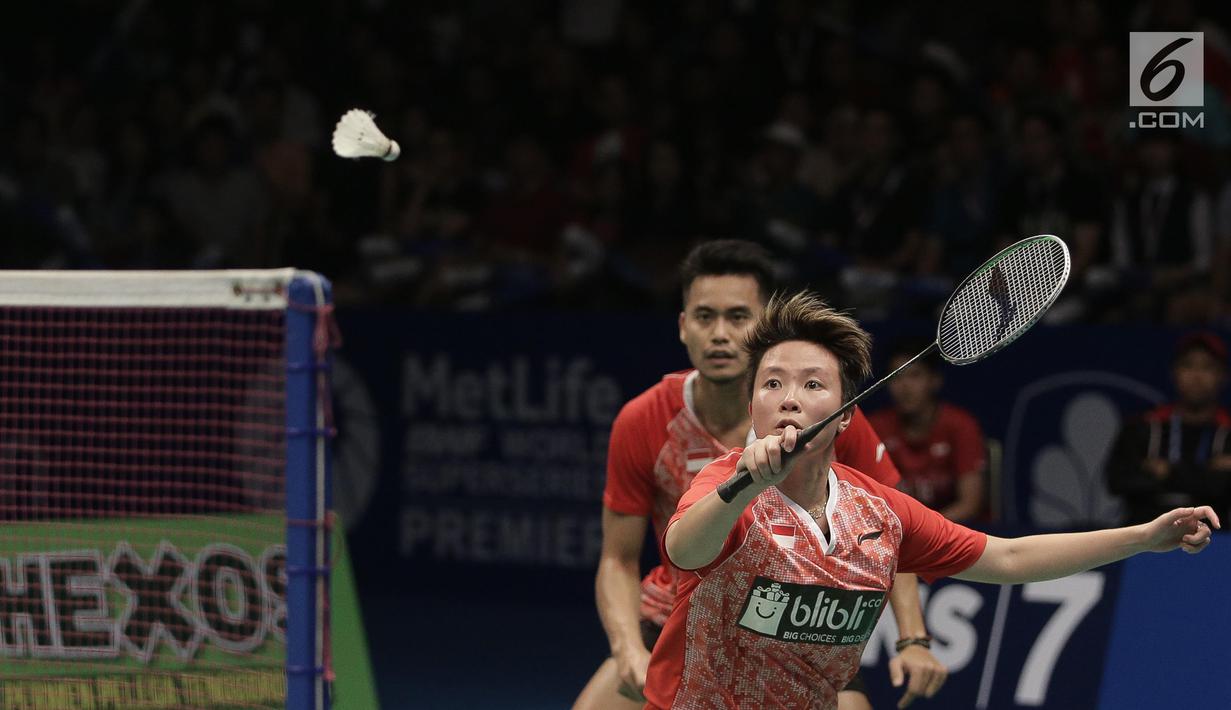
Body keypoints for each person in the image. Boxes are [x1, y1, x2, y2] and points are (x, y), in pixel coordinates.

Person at [646, 291, 1219, 710]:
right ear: (753, 408)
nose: (789, 399)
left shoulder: (878, 511)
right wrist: (741, 485)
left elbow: (1008, 559)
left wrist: (1145, 537)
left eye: (813, 384)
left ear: (847, 415)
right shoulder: (726, 485)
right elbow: (684, 549)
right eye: (771, 384)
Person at [574, 241, 946, 710]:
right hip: (679, 620)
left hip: (793, 626)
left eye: (738, 317)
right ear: (683, 326)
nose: (721, 335)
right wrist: (628, 649)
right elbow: (618, 560)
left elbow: (892, 528)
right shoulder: (644, 419)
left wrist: (913, 638)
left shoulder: (825, 420)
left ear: (763, 330)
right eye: (705, 317)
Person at [1107, 331, 1231, 525]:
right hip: (1145, 535)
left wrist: (1166, 473)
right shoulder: (1144, 427)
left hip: (1215, 538)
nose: (1197, 376)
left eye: (1207, 367)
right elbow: (1117, 481)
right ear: (1174, 372)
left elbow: (1225, 488)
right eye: (1188, 365)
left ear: (1222, 376)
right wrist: (1208, 474)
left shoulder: (1228, 432)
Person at [868, 338, 987, 522]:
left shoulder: (961, 425)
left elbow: (970, 504)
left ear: (935, 381)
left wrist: (927, 534)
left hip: (953, 534)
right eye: (896, 377)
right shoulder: (875, 427)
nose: (905, 387)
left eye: (914, 375)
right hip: (900, 533)